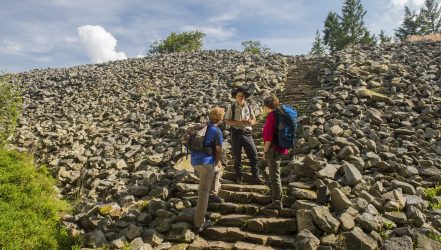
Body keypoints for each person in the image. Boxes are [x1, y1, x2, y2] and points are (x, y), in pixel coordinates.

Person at [191, 107, 225, 233]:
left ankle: (213, 193)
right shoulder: (217, 131)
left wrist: (216, 165)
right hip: (205, 163)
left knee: (216, 170)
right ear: (221, 118)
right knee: (203, 193)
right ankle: (199, 224)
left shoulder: (203, 127)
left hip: (194, 161)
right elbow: (218, 150)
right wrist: (218, 162)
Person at [225, 86, 264, 184]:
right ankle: (239, 177)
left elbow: (254, 120)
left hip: (247, 133)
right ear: (235, 96)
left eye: (243, 96)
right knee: (237, 157)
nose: (241, 97)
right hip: (236, 133)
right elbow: (227, 121)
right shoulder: (232, 107)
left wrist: (251, 121)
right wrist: (239, 122)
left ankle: (255, 177)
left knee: (254, 155)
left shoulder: (249, 107)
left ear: (245, 97)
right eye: (239, 96)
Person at [258, 95, 289, 210]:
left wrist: (265, 152)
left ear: (266, 106)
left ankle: (277, 202)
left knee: (274, 174)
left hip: (273, 150)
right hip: (278, 148)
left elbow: (269, 138)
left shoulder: (272, 117)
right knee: (261, 166)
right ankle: (273, 191)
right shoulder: (279, 115)